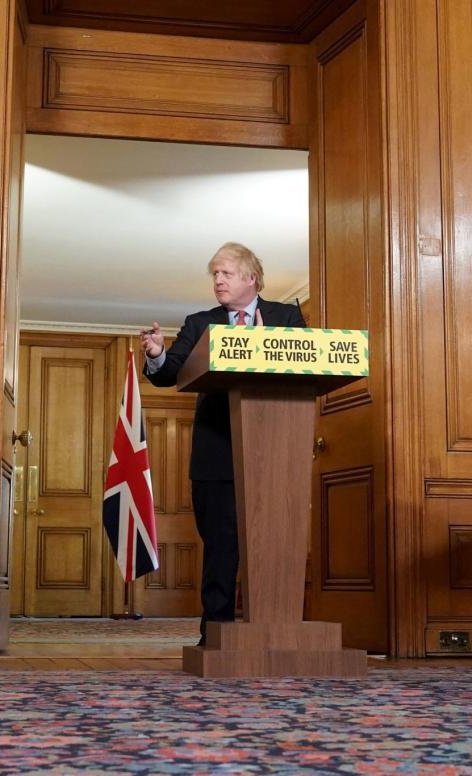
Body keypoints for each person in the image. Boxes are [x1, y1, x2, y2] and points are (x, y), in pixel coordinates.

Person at [140, 242, 306, 645]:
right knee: (220, 547)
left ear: (252, 278)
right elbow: (169, 375)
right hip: (217, 456)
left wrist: (269, 348)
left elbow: (305, 367)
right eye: (214, 274)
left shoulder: (286, 316)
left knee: (275, 546)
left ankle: (277, 632)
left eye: (226, 273)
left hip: (275, 453)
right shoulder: (200, 323)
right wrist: (159, 354)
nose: (217, 281)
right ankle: (215, 635)